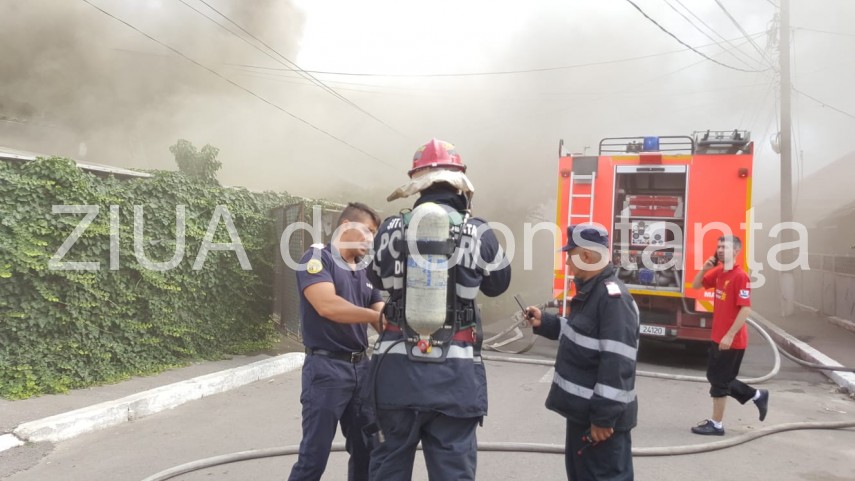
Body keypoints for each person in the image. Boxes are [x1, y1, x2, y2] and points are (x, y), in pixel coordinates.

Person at [366, 139, 511, 481]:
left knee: (387, 469)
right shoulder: (478, 231)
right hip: (454, 381)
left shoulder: (389, 228)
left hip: (394, 377)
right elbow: (498, 283)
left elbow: (374, 276)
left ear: (417, 184)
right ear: (460, 184)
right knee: (453, 473)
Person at [525, 223, 639, 481]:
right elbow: (584, 337)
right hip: (584, 416)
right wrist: (548, 323)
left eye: (570, 254)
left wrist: (604, 418)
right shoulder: (592, 292)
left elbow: (617, 362)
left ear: (586, 256)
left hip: (600, 425)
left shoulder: (613, 299)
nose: (567, 262)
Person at [288, 202, 384, 481]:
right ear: (345, 227)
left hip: (361, 370)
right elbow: (326, 305)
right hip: (326, 369)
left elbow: (379, 313)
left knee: (368, 450)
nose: (371, 238)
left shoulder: (367, 270)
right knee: (314, 457)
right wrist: (374, 316)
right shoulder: (318, 258)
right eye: (367, 230)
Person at [690, 234, 769, 436]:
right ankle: (757, 395)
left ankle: (717, 425)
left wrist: (729, 335)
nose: (720, 250)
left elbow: (745, 310)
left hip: (732, 341)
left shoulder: (740, 276)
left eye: (725, 247)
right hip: (718, 336)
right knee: (715, 377)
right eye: (718, 247)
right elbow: (696, 285)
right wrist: (705, 268)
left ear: (736, 251)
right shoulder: (718, 272)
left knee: (719, 382)